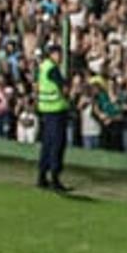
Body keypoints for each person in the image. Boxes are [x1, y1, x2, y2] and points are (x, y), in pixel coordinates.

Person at [35, 40, 71, 191]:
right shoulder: (53, 69)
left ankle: (42, 176)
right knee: (57, 145)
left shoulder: (42, 67)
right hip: (56, 110)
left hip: (45, 110)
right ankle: (55, 177)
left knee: (47, 144)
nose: (61, 57)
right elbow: (63, 87)